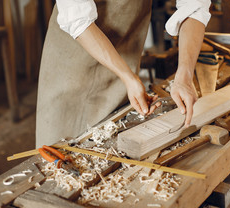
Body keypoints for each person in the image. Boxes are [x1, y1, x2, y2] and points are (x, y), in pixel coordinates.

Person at [36, 0, 211, 147]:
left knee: (111, 147)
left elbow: (195, 6)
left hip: (124, 60)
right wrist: (128, 77)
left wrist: (184, 75)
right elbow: (77, 19)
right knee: (58, 154)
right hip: (73, 62)